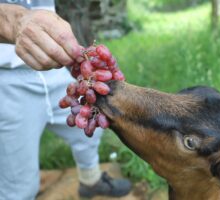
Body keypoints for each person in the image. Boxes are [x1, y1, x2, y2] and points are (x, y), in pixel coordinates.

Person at [0, 1, 131, 200]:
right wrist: (15, 22)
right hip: (6, 78)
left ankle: (90, 182)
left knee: (91, 125)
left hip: (55, 69)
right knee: (21, 187)